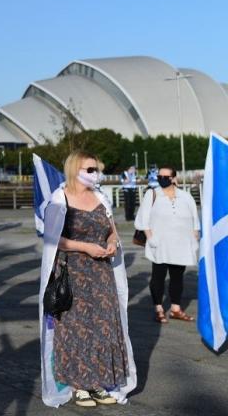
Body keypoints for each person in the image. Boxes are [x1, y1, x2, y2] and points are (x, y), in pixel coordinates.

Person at [39, 151, 136, 408]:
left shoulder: (101, 198)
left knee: (104, 325)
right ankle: (79, 385)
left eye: (97, 169)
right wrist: (85, 247)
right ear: (75, 170)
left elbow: (112, 230)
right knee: (76, 327)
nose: (96, 174)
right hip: (73, 273)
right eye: (91, 169)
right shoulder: (60, 199)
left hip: (101, 273)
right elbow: (52, 239)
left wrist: (112, 242)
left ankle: (100, 382)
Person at [134, 165, 199, 324]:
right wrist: (150, 238)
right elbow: (143, 218)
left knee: (177, 277)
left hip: (181, 244)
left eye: (165, 176)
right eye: (160, 176)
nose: (162, 179)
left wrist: (195, 237)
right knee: (158, 277)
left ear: (174, 178)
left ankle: (176, 309)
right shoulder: (153, 193)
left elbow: (195, 219)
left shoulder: (185, 196)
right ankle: (159, 309)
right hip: (160, 244)